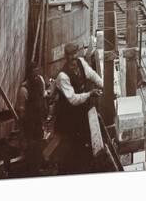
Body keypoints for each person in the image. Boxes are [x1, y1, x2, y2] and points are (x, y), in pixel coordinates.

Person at [55, 43, 103, 172]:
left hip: (80, 108)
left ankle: (85, 161)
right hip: (68, 113)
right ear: (66, 56)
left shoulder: (81, 62)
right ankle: (71, 168)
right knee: (72, 141)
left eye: (74, 54)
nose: (72, 57)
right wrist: (90, 93)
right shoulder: (63, 76)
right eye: (69, 55)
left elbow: (92, 74)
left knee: (82, 135)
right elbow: (72, 99)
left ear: (77, 53)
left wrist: (103, 85)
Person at [17, 62, 48, 175]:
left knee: (39, 140)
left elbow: (43, 95)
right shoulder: (24, 89)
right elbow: (22, 109)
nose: (36, 73)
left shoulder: (40, 80)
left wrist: (44, 110)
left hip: (38, 119)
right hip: (29, 121)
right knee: (31, 144)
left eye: (37, 70)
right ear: (29, 73)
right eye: (33, 71)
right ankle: (31, 169)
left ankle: (39, 164)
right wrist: (23, 125)